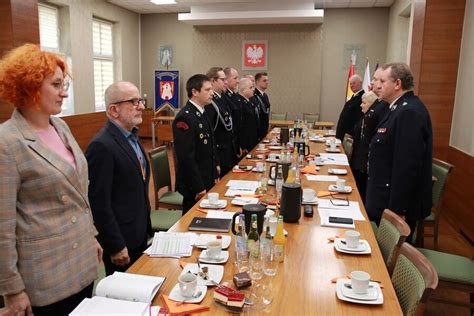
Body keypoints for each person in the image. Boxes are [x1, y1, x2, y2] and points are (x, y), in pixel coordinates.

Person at [0, 44, 101, 316]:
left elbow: (79, 190)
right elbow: (3, 226)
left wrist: (91, 234)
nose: (64, 92)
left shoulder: (61, 126)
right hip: (45, 276)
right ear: (29, 86)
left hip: (81, 261)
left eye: (64, 84)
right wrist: (12, 289)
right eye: (56, 85)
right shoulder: (6, 141)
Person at [86, 81, 151, 276]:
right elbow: (99, 203)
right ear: (114, 110)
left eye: (140, 100)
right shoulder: (102, 146)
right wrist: (115, 245)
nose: (141, 106)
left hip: (138, 231)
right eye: (134, 101)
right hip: (121, 242)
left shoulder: (131, 136)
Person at [366, 63, 433, 241]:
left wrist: (397, 212)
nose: (376, 85)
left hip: (394, 207)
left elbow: (406, 168)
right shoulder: (397, 108)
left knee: (387, 263)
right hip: (384, 200)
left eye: (382, 80)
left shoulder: (408, 112)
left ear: (397, 84)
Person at [173, 74, 219, 213]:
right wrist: (198, 187)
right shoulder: (185, 117)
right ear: (194, 92)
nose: (212, 93)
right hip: (194, 184)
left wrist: (215, 172)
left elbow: (210, 144)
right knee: (191, 222)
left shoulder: (202, 112)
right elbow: (186, 157)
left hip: (207, 177)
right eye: (207, 89)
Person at [350, 89, 389, 202]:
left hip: (366, 161)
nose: (361, 105)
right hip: (359, 158)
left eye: (364, 102)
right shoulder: (366, 116)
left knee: (361, 193)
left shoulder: (378, 111)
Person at [204, 67, 235, 177]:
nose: (226, 82)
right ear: (213, 81)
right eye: (223, 79)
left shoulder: (221, 98)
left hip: (227, 151)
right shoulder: (210, 103)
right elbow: (211, 132)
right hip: (219, 153)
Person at [336, 74, 364, 140]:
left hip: (350, 136)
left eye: (354, 83)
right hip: (344, 135)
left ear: (360, 83)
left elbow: (358, 119)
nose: (351, 86)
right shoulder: (354, 97)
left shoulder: (362, 98)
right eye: (350, 84)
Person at [223, 67, 242, 162]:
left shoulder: (234, 96)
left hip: (235, 143)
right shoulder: (224, 97)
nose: (238, 81)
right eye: (235, 78)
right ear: (226, 79)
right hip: (228, 146)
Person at [237, 77, 259, 153]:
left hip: (252, 140)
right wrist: (242, 146)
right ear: (243, 90)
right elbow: (240, 126)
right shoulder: (239, 103)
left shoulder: (248, 101)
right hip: (245, 143)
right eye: (251, 87)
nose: (253, 89)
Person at [254, 72, 271, 140]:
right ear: (257, 82)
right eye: (264, 80)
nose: (267, 82)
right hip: (257, 132)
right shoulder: (254, 95)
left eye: (267, 80)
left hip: (264, 130)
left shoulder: (265, 95)